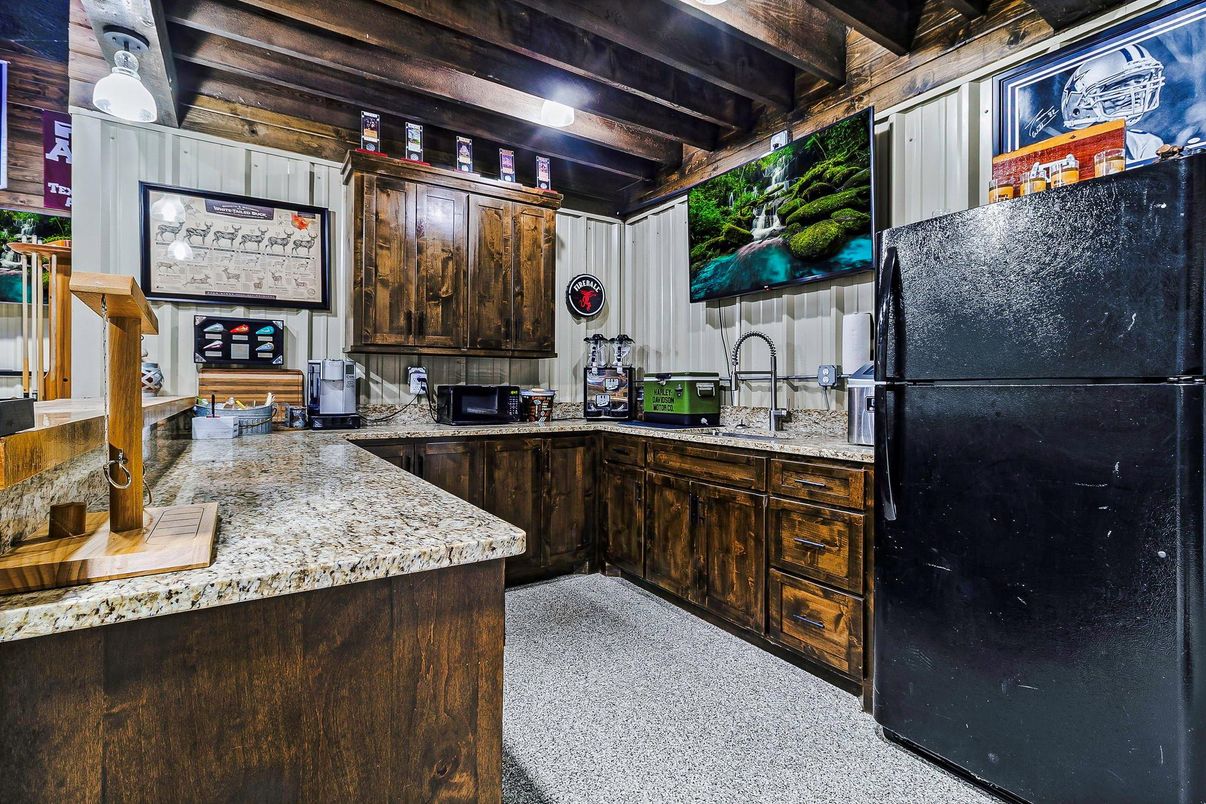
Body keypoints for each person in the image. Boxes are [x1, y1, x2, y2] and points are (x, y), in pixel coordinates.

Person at [1060, 43, 1167, 162]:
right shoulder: (1063, 154)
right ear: (1082, 104)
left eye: (1138, 83)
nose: (1136, 92)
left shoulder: (1144, 143)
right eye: (1123, 86)